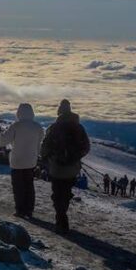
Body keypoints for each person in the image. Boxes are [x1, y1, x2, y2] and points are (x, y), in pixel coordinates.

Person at [40, 99, 91, 234]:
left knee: (57, 193)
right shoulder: (79, 128)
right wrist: (76, 157)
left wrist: (46, 159)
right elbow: (86, 147)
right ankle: (62, 217)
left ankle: (61, 219)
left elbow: (45, 147)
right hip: (73, 168)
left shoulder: (54, 128)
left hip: (56, 167)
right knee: (66, 192)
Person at [0, 102, 44, 219]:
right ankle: (29, 210)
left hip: (17, 161)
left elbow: (3, 141)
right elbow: (39, 143)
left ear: (19, 113)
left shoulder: (16, 126)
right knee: (29, 186)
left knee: (18, 186)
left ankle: (20, 210)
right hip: (31, 161)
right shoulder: (38, 127)